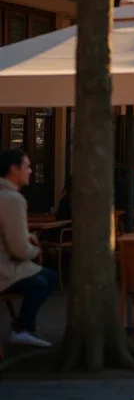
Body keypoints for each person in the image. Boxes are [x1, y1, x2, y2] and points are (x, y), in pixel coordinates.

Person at [0, 149, 56, 348]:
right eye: (27, 166)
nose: (31, 171)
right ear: (13, 169)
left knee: (44, 278)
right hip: (5, 269)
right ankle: (22, 329)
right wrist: (36, 251)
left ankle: (23, 327)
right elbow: (19, 249)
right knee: (45, 280)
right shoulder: (12, 199)